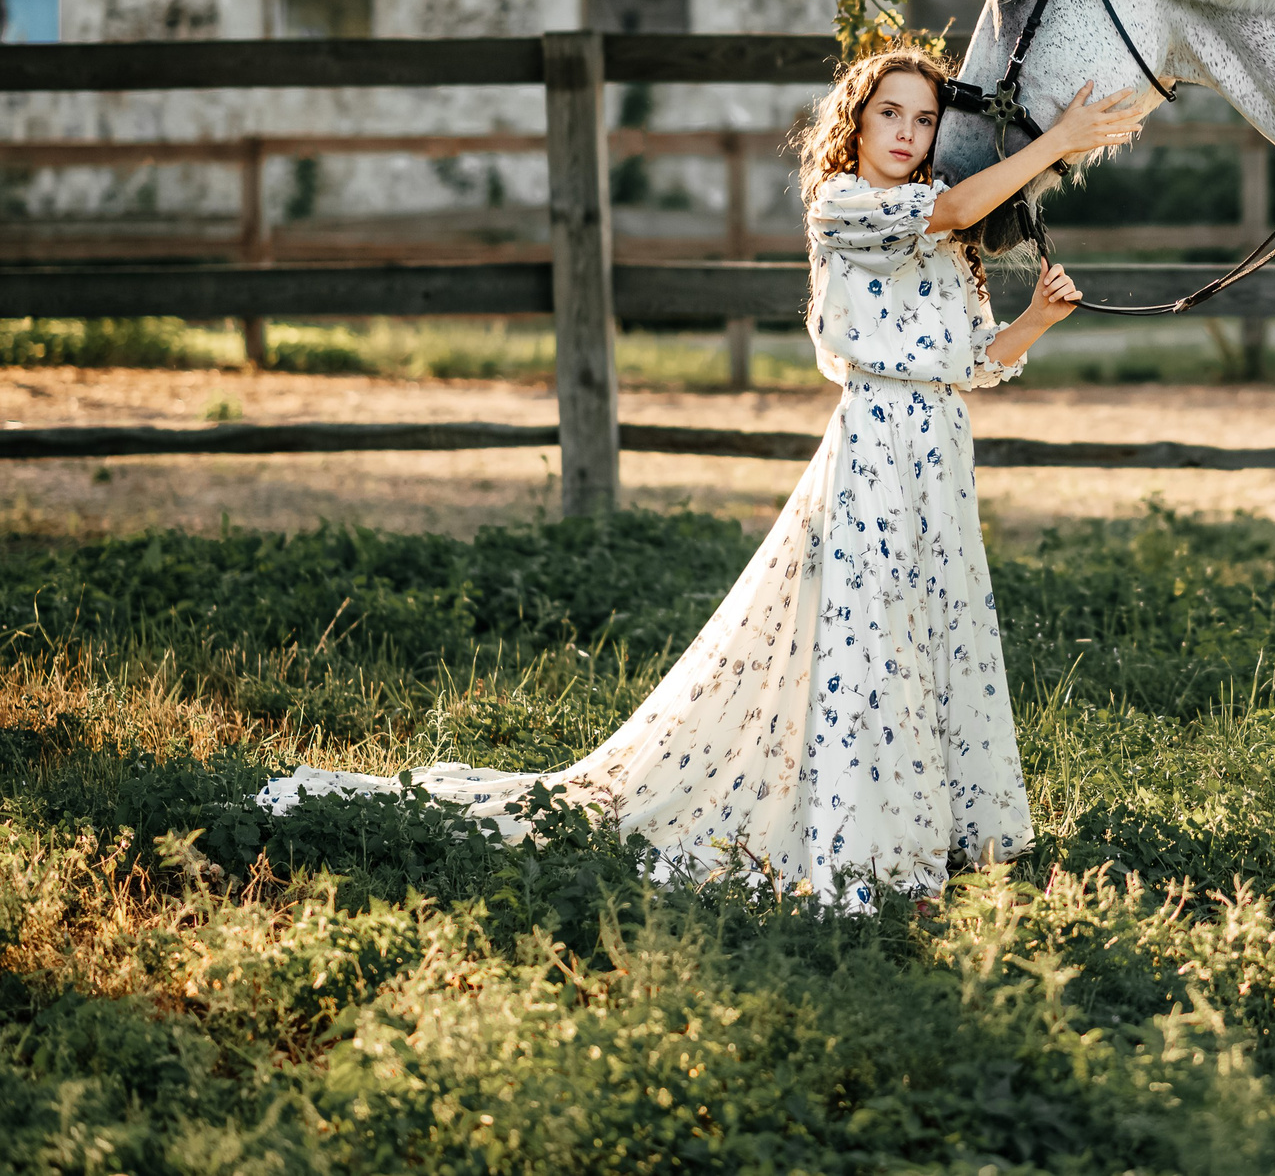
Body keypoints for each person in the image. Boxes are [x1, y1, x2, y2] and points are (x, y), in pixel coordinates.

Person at [258, 47, 1150, 911]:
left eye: (923, 119)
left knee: (934, 633)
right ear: (857, 121)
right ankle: (862, 842)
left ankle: (944, 832)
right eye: (891, 113)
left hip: (939, 451)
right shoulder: (845, 206)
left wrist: (1035, 318)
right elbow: (953, 210)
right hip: (875, 443)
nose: (909, 132)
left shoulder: (946, 236)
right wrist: (1058, 142)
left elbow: (969, 360)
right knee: (868, 644)